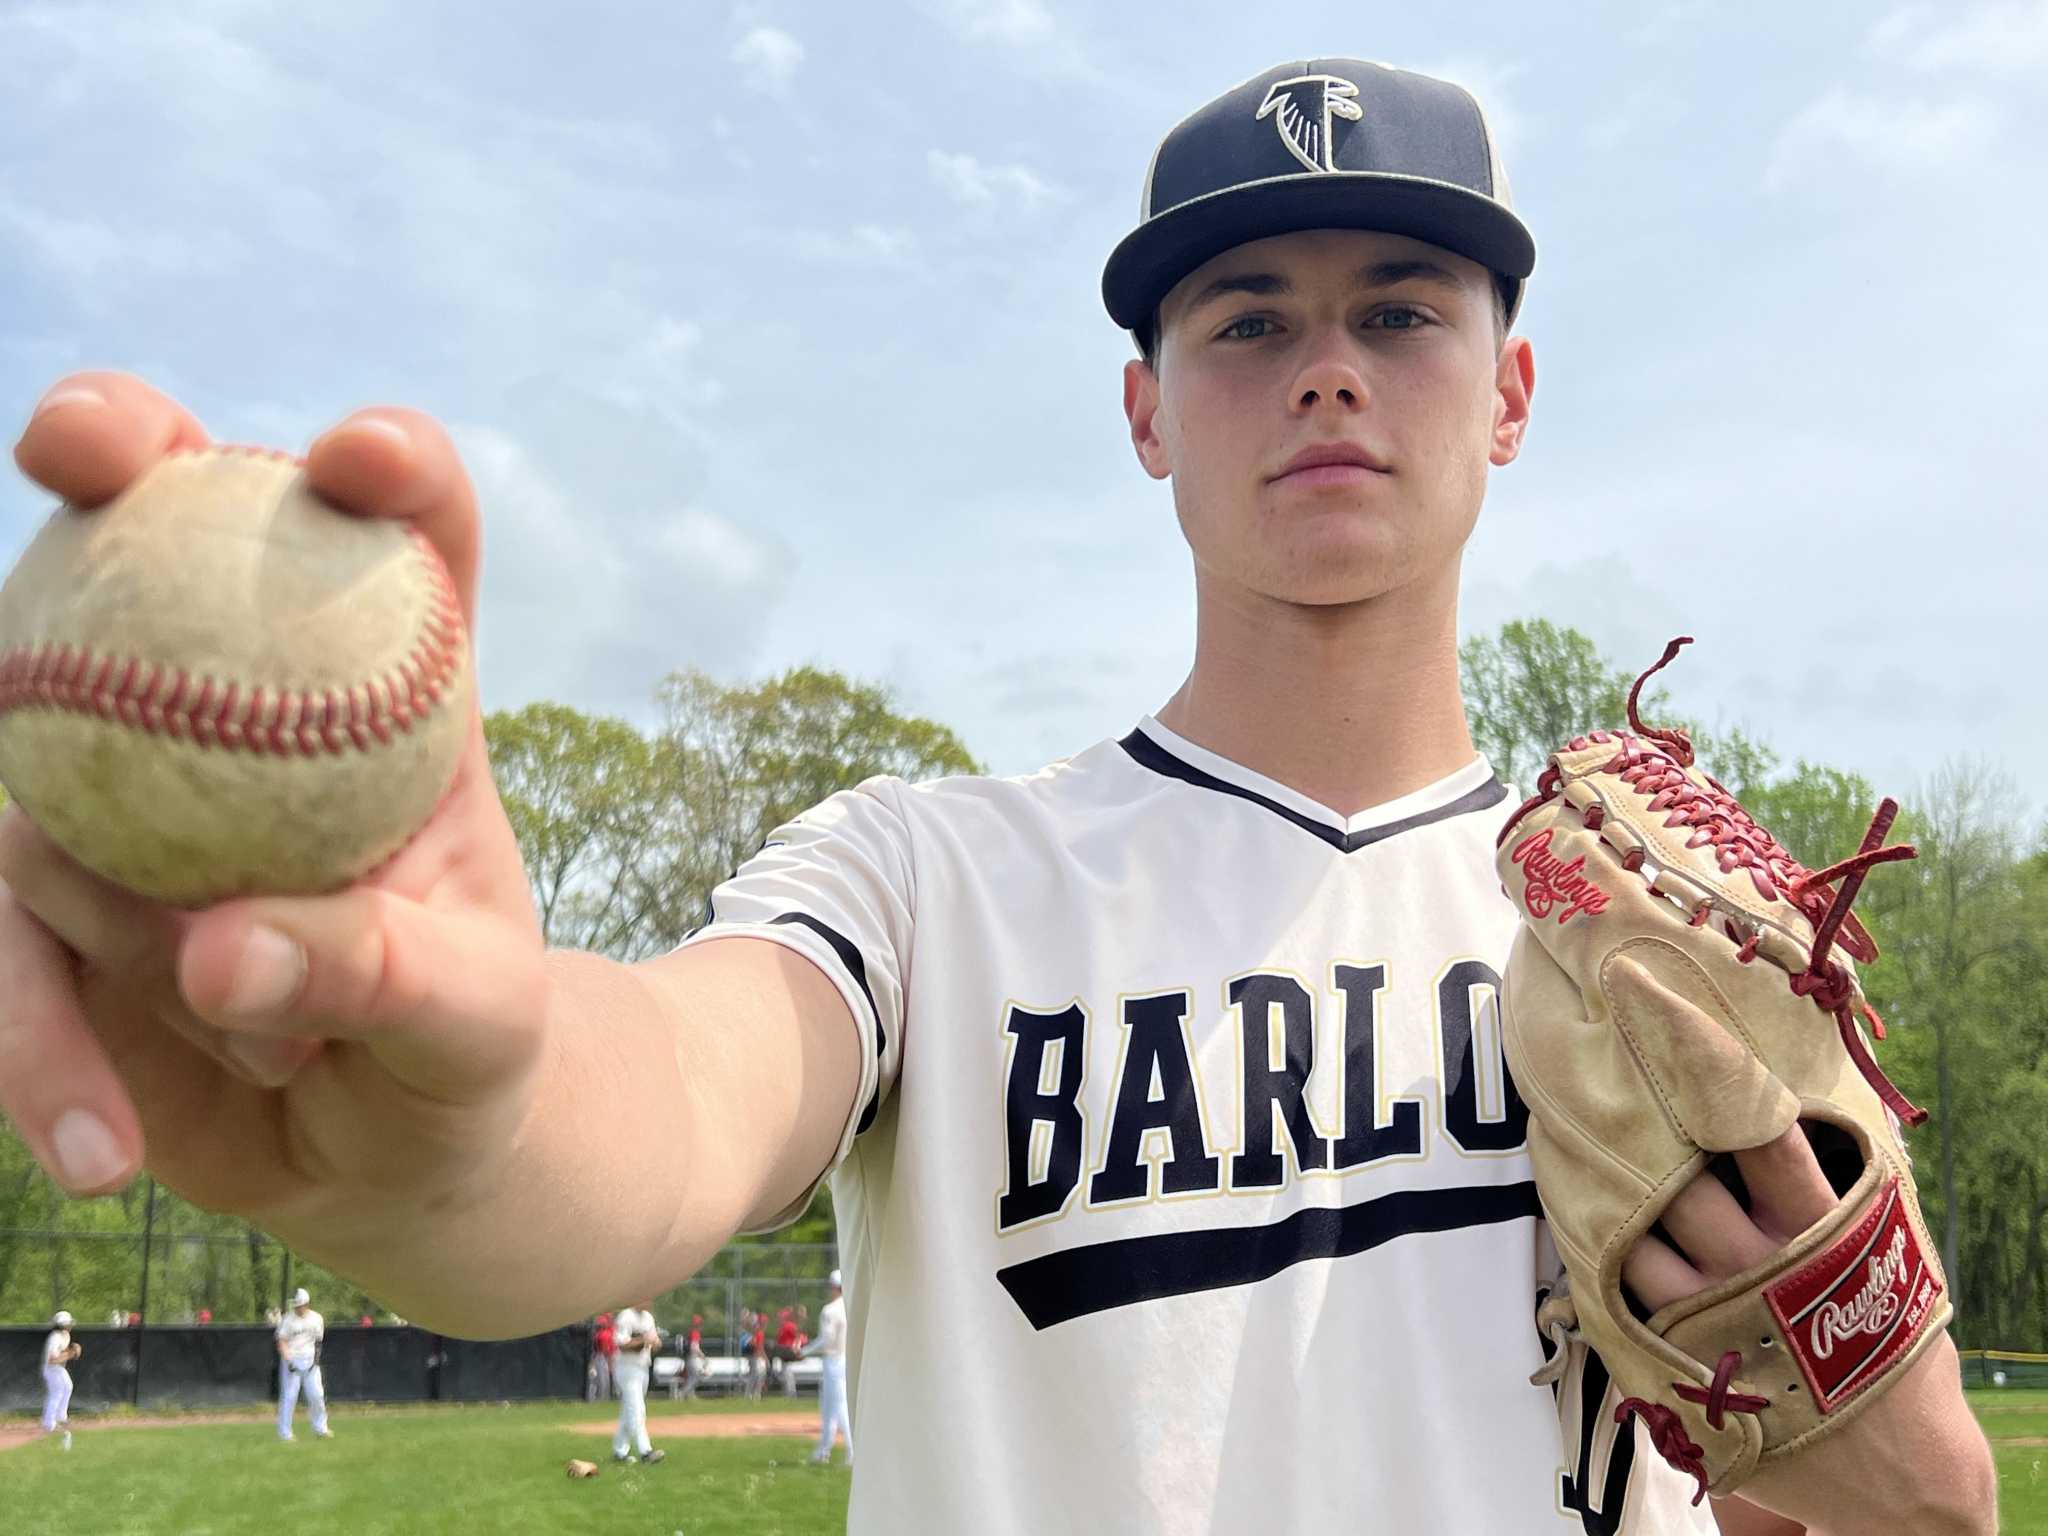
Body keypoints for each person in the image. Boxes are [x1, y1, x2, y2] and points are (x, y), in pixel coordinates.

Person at [0, 55, 1998, 1536]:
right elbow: (675, 1091)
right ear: (1143, 409)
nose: (1327, 369)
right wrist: (454, 1129)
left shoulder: (1669, 949)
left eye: (1400, 308)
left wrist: (1922, 1496)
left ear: (1511, 393)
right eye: (1245, 322)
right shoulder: (928, 877)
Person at [802, 1272, 851, 1468]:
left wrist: (804, 1351)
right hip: (844, 1358)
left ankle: (852, 1450)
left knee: (839, 1407)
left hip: (833, 1361)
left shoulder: (830, 1310)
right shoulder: (849, 1307)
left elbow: (826, 1340)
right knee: (829, 1407)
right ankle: (824, 1450)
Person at [609, 1301, 665, 1465]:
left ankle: (619, 1452)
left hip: (642, 1367)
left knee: (628, 1413)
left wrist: (655, 1342)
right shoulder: (626, 1316)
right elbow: (622, 1344)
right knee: (637, 1409)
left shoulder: (648, 1318)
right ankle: (646, 1452)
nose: (651, 1301)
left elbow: (655, 1345)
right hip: (626, 1368)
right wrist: (643, 1340)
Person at [274, 1287, 330, 1441]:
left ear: (307, 1304)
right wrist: (289, 1361)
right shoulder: (288, 1319)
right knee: (289, 1396)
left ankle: (321, 1428)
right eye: (296, 1305)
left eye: (300, 1304)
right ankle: (285, 1433)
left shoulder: (317, 1319)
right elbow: (282, 1341)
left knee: (317, 1394)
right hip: (292, 1359)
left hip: (311, 1361)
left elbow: (318, 1340)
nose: (298, 1307)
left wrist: (316, 1359)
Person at [40, 1309, 79, 1448]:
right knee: (56, 1393)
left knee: (68, 1386)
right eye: (68, 1323)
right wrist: (71, 1354)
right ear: (62, 1325)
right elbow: (52, 1360)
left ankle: (61, 1416)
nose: (70, 1325)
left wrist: (70, 1352)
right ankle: (49, 1423)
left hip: (58, 1368)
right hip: (51, 1369)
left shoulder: (65, 1335)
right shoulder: (55, 1337)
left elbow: (61, 1354)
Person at [588, 1311, 615, 1402]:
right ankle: (600, 1400)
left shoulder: (609, 1331)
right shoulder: (604, 1334)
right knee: (600, 1381)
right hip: (600, 1357)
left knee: (599, 1381)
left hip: (601, 1357)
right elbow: (606, 1351)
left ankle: (600, 1400)